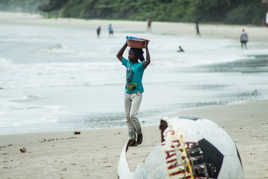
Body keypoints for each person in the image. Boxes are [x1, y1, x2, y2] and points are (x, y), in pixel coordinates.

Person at [116, 40, 150, 148]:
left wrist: (146, 48)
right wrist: (126, 44)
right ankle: (132, 138)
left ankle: (139, 133)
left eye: (132, 53)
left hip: (137, 94)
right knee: (127, 117)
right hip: (127, 93)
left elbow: (148, 61)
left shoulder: (140, 66)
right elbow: (118, 55)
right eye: (129, 53)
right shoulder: (128, 64)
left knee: (132, 115)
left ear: (137, 56)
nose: (129, 55)